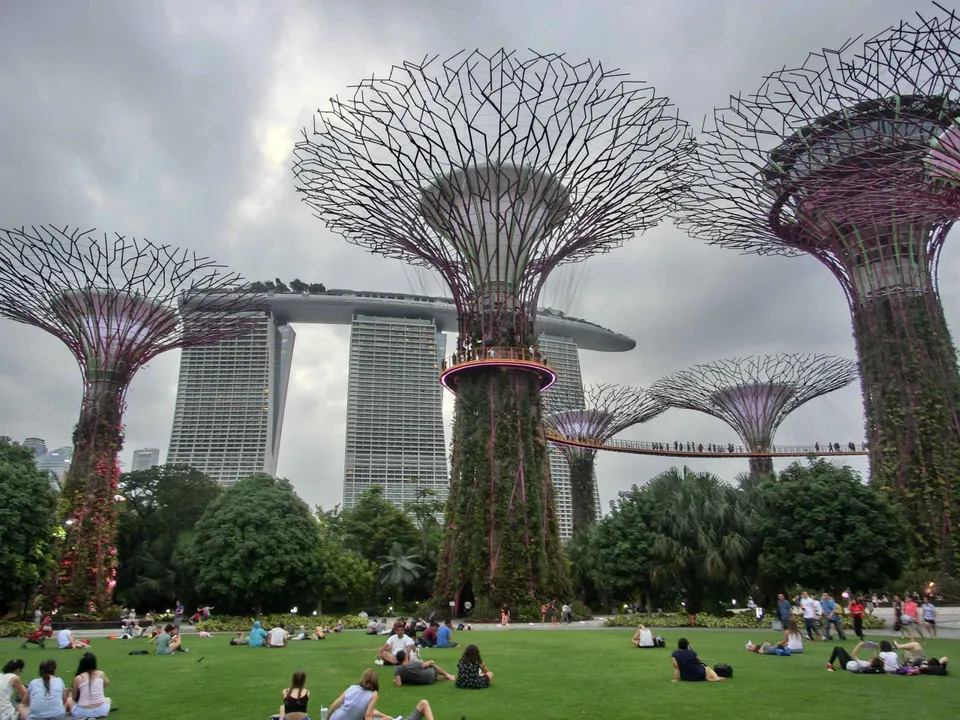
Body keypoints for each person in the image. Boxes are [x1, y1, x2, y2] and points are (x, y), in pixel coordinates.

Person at [328, 669, 436, 720]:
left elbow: (334, 705)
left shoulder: (352, 688)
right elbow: (369, 715)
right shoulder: (372, 695)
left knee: (424, 703)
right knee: (424, 703)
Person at [70, 653, 110, 718]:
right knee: (108, 699)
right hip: (101, 711)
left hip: (83, 712)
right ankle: (100, 714)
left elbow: (74, 697)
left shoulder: (79, 678)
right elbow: (107, 683)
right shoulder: (100, 674)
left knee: (69, 700)